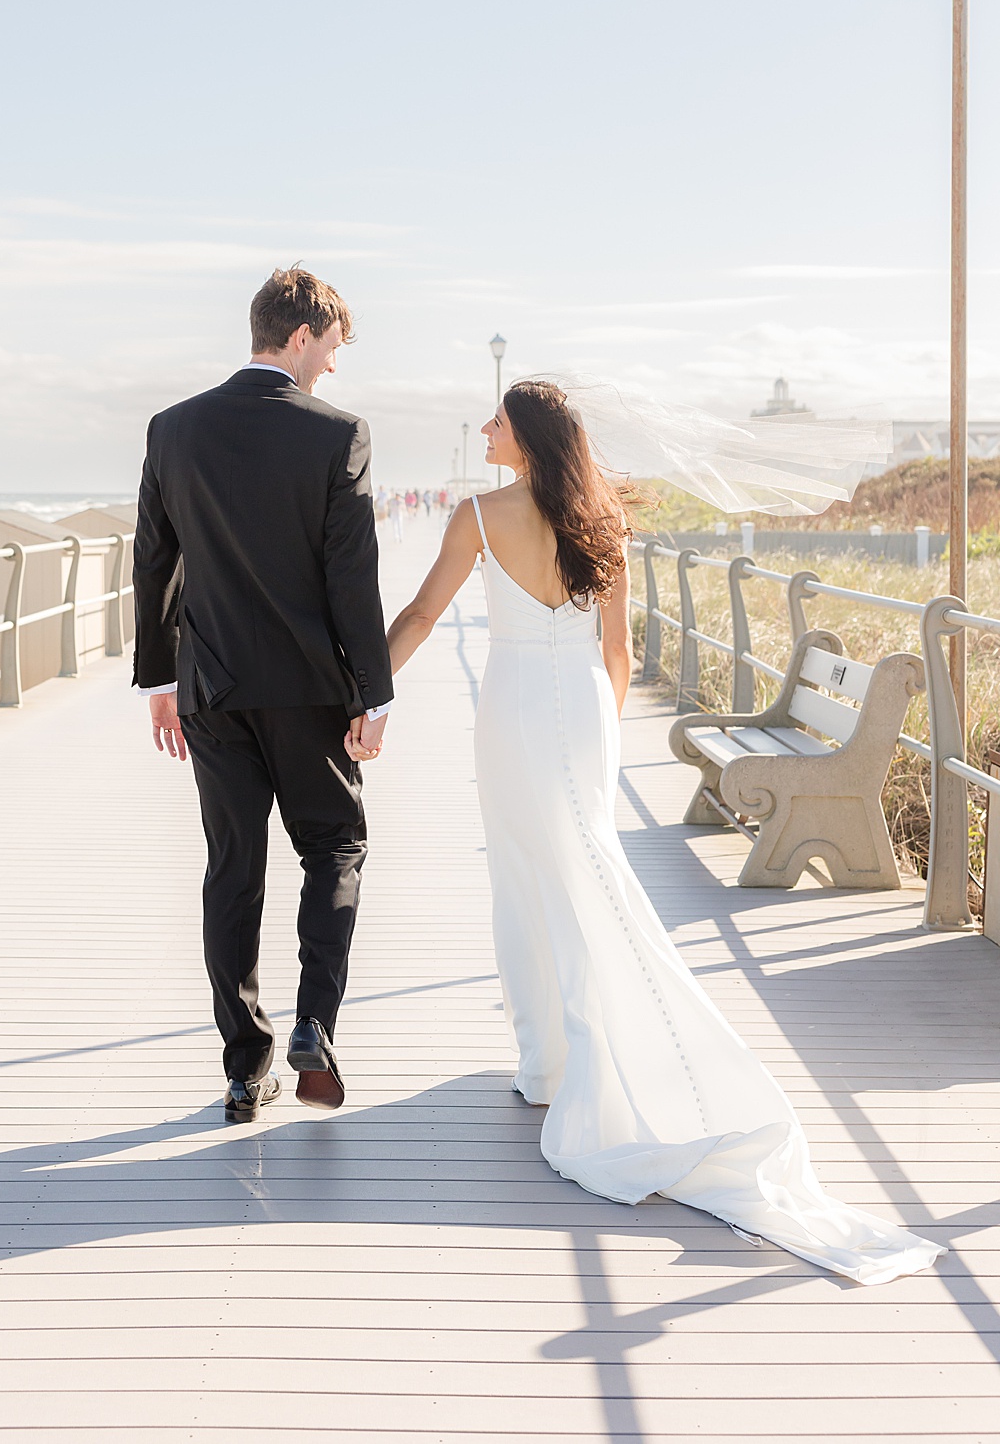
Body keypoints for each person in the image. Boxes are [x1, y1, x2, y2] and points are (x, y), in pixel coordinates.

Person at [381, 380, 942, 1284]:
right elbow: (620, 655)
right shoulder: (605, 521)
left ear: (521, 438)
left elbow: (416, 618)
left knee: (529, 874)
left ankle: (556, 1062)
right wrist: (598, 739)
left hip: (514, 713)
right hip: (580, 718)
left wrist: (366, 693)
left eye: (494, 421)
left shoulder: (477, 516)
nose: (484, 429)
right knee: (574, 867)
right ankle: (554, 1055)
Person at [132, 266, 393, 1121]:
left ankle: (246, 1066)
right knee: (335, 847)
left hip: (211, 689)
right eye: (332, 347)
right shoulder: (337, 433)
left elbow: (154, 564)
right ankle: (315, 1021)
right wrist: (373, 694)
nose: (333, 366)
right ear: (302, 335)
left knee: (232, 869)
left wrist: (161, 679)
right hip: (311, 691)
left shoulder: (172, 430)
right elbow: (350, 576)